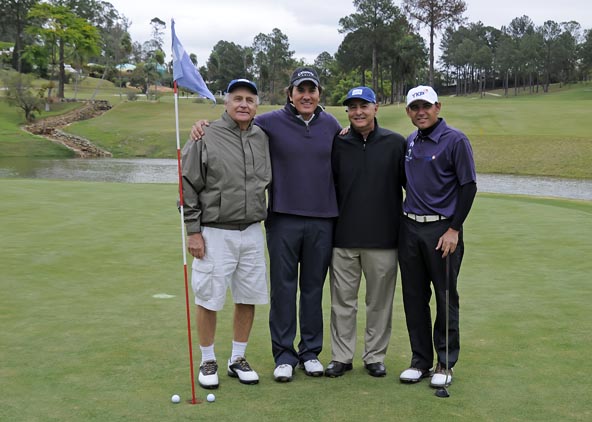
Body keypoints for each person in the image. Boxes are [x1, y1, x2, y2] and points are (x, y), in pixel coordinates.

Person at [190, 68, 341, 382]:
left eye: (312, 90)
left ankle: (309, 352)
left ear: (319, 94)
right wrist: (201, 126)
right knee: (281, 290)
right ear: (290, 93)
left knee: (311, 290)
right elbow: (194, 178)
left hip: (319, 220)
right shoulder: (266, 123)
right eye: (300, 90)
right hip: (279, 219)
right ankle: (283, 355)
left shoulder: (330, 125)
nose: (306, 95)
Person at [181, 78, 271, 389]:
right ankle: (208, 360)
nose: (244, 104)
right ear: (226, 103)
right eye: (237, 99)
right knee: (209, 298)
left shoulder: (262, 136)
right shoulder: (205, 135)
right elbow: (187, 186)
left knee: (248, 296)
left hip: (252, 230)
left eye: (249, 99)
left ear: (256, 105)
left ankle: (237, 359)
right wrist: (193, 231)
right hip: (215, 232)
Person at [397, 85, 477, 389]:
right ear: (408, 112)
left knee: (445, 297)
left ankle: (445, 362)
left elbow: (468, 187)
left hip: (442, 230)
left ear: (438, 107)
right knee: (414, 298)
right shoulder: (410, 142)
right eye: (415, 108)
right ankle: (420, 360)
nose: (421, 112)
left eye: (426, 107)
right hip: (410, 229)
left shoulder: (455, 140)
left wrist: (454, 229)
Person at [325, 87, 405, 378]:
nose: (358, 111)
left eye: (364, 106)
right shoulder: (338, 143)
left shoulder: (396, 143)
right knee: (342, 303)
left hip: (384, 240)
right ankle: (341, 356)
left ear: (376, 108)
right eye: (352, 107)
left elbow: (412, 186)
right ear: (347, 112)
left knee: (379, 303)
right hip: (343, 238)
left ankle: (374, 356)